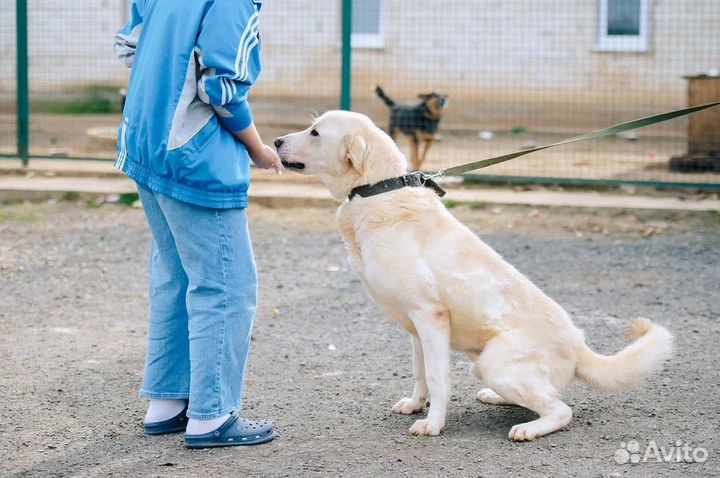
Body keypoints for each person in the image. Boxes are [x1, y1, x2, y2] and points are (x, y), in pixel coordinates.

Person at [113, 0, 281, 448]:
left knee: (176, 275)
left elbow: (129, 46)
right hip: (193, 155)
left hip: (143, 143)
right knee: (226, 286)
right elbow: (222, 87)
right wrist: (257, 148)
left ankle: (166, 403)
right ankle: (212, 415)